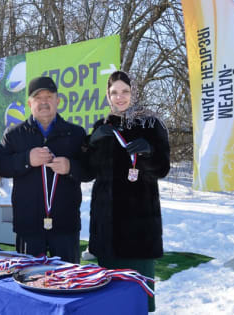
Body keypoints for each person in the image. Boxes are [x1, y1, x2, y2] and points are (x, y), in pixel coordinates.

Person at [83, 71, 170, 312]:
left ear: (134, 92)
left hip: (137, 233)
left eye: (125, 91)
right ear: (107, 96)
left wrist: (149, 151)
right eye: (114, 92)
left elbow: (162, 168)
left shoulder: (151, 124)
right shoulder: (103, 126)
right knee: (108, 302)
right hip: (106, 232)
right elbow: (89, 171)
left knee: (136, 302)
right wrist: (91, 143)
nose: (119, 97)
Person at [0, 76, 87, 264]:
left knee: (68, 285)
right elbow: (0, 166)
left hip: (66, 226)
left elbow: (90, 170)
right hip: (28, 228)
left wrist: (70, 167)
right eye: (38, 98)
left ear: (57, 101)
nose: (44, 102)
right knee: (29, 283)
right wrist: (26, 159)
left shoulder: (76, 133)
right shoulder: (14, 134)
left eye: (49, 97)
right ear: (30, 103)